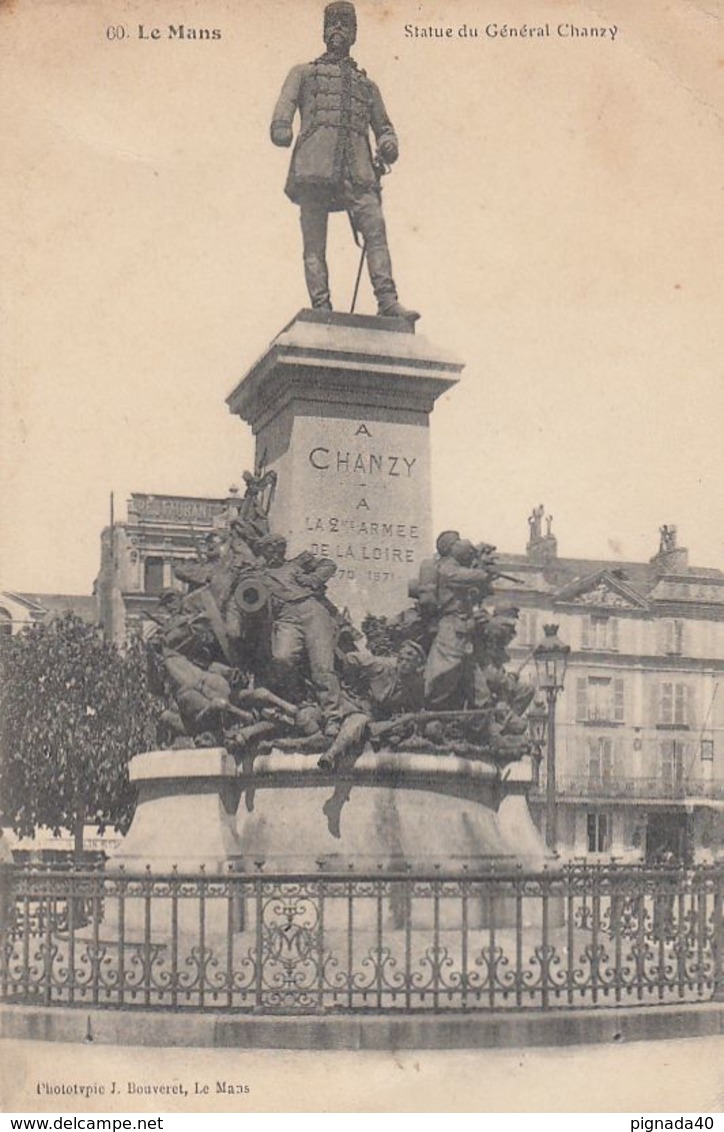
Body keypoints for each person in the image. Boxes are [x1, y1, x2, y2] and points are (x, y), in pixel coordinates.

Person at [270, 1, 418, 321]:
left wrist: (389, 144)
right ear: (324, 32)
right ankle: (321, 306)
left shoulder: (367, 86)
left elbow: (385, 127)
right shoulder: (303, 73)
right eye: (332, 26)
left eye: (345, 26)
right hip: (313, 167)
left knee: (375, 228)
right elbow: (283, 110)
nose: (338, 31)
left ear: (353, 34)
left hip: (359, 172)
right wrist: (281, 127)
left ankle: (388, 300)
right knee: (314, 242)